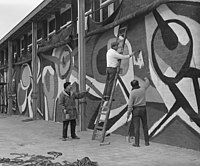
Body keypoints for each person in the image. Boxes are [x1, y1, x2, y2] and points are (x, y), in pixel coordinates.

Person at [127, 77, 150, 147]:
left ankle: (137, 143)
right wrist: (146, 78)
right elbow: (147, 84)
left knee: (137, 127)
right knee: (145, 126)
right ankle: (147, 142)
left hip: (136, 110)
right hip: (143, 109)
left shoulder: (132, 93)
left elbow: (130, 105)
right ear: (138, 84)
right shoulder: (142, 89)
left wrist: (128, 113)